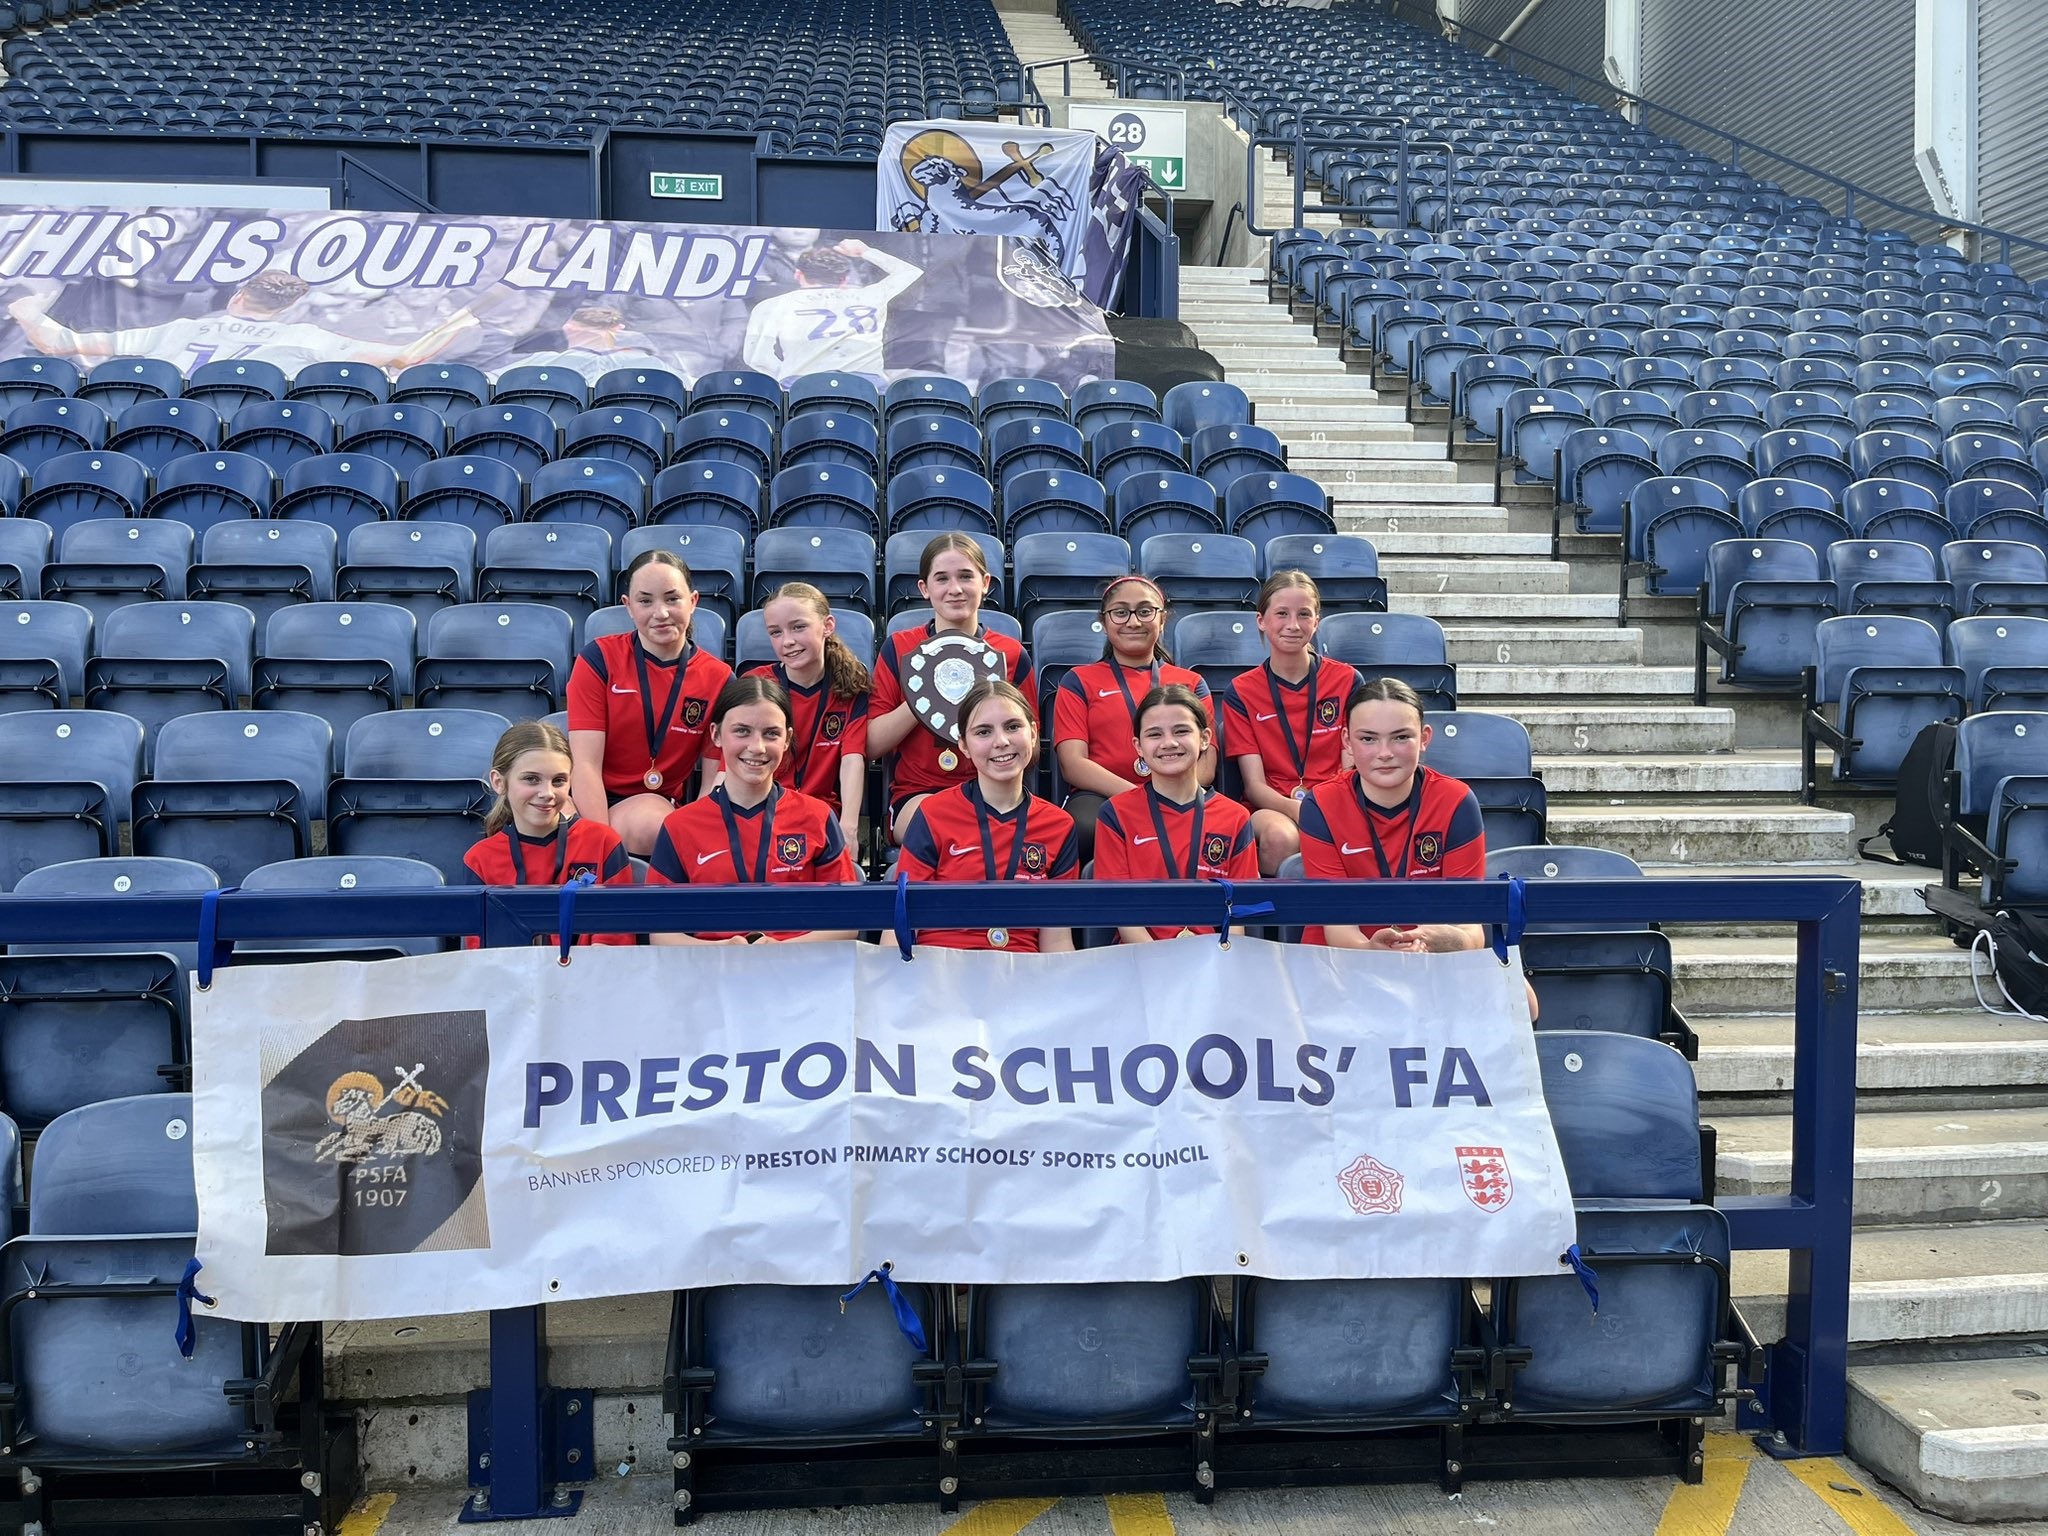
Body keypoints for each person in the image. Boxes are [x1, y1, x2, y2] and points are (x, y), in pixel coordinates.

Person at [646, 676, 860, 945]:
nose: (757, 747)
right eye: (742, 731)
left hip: (799, 973)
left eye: (771, 733)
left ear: (787, 739)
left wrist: (782, 949)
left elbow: (849, 920)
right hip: (711, 975)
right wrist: (720, 950)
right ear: (715, 734)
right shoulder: (680, 826)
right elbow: (660, 933)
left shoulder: (817, 817)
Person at [867, 533, 1034, 847]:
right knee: (942, 831)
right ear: (925, 589)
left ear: (985, 583)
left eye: (966, 577)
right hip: (919, 794)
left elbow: (1032, 748)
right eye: (942, 578)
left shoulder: (1008, 654)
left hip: (995, 790)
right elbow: (873, 743)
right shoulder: (900, 649)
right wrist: (927, 694)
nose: (955, 589)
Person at [1297, 677, 1486, 952]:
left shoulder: (1456, 801)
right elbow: (1337, 926)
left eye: (1400, 737)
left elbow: (1470, 930)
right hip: (1344, 958)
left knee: (1523, 996)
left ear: (1424, 738)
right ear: (1347, 741)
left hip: (1430, 959)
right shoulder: (1321, 804)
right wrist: (1372, 951)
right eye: (1368, 739)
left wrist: (1443, 941)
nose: (1384, 753)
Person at [566, 549, 734, 857]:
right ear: (628, 607)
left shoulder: (718, 678)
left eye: (672, 599)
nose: (661, 613)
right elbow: (585, 764)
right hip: (588, 799)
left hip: (656, 804)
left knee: (657, 826)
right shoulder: (599, 658)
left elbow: (713, 780)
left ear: (693, 602)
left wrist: (699, 841)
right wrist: (599, 845)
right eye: (646, 601)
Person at [897, 679, 1077, 953]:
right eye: (983, 732)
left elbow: (1057, 939)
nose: (1001, 742)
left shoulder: (1059, 826)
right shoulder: (933, 813)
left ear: (1033, 732)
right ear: (964, 745)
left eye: (1013, 727)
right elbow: (901, 923)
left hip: (1022, 976)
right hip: (942, 973)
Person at [6, 270, 479, 373]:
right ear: (285, 307)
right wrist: (457, 321)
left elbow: (58, 343)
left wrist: (25, 309)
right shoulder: (305, 337)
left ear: (237, 296)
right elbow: (406, 355)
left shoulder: (180, 330)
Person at [1051, 575, 1214, 857]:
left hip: (1180, 793)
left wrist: (1166, 794)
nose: (1133, 621)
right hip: (1100, 796)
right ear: (1104, 622)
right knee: (1085, 826)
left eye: (1145, 611)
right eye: (1120, 612)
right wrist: (1139, 798)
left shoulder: (1191, 683)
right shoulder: (1078, 680)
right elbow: (1073, 764)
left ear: (1162, 620)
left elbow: (1207, 764)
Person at [1220, 570, 1360, 876]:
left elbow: (1353, 763)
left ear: (1317, 622)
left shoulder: (1347, 680)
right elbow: (1255, 786)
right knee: (1280, 836)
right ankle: (1273, 925)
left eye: (1304, 614)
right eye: (1282, 613)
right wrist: (1299, 808)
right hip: (1270, 806)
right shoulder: (1242, 691)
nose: (1293, 625)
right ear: (1261, 620)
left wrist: (1324, 804)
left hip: (1337, 799)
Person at [1092, 684, 1258, 944]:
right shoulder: (1115, 814)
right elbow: (1123, 911)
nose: (1168, 743)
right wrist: (1163, 962)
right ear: (1138, 746)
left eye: (1181, 731)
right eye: (1154, 734)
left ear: (1204, 738)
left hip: (1213, 961)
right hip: (1141, 960)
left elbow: (1236, 913)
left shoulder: (1235, 817)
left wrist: (1222, 958)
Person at [458, 720, 634, 946]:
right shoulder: (479, 860)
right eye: (532, 779)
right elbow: (482, 954)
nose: (547, 793)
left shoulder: (603, 843)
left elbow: (614, 942)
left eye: (559, 781)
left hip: (588, 977)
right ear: (499, 782)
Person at [743, 582, 869, 850]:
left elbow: (852, 759)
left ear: (827, 625)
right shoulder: (756, 683)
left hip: (822, 816)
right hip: (762, 811)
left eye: (798, 627)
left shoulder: (852, 687)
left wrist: (848, 827)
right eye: (775, 633)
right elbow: (733, 761)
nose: (787, 641)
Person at [741, 238, 924, 383]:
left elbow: (757, 358)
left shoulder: (774, 305)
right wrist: (865, 251)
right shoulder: (872, 296)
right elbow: (909, 272)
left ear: (798, 275)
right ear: (844, 279)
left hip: (802, 388)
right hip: (866, 389)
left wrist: (790, 376)